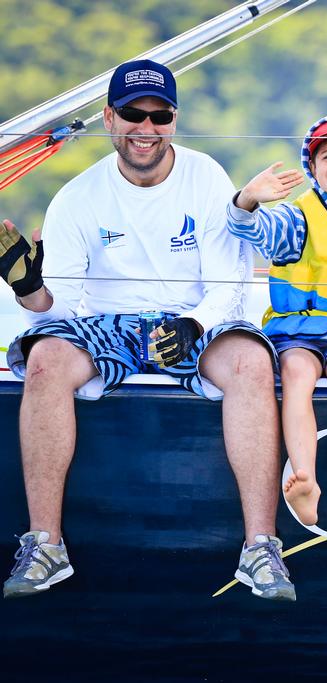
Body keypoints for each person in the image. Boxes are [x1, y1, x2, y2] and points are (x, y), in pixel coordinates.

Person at [0, 59, 296, 601]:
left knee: (252, 361)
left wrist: (192, 324)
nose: (146, 127)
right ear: (110, 118)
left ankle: (261, 547)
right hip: (105, 324)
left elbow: (228, 284)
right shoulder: (77, 197)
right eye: (133, 114)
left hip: (190, 317)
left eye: (159, 115)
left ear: (174, 120)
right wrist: (26, 287)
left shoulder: (207, 177)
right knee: (42, 361)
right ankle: (46, 544)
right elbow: (56, 312)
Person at [226, 112, 327, 542]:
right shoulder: (296, 219)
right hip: (296, 331)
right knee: (298, 373)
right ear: (312, 168)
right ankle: (307, 480)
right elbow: (248, 229)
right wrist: (247, 199)